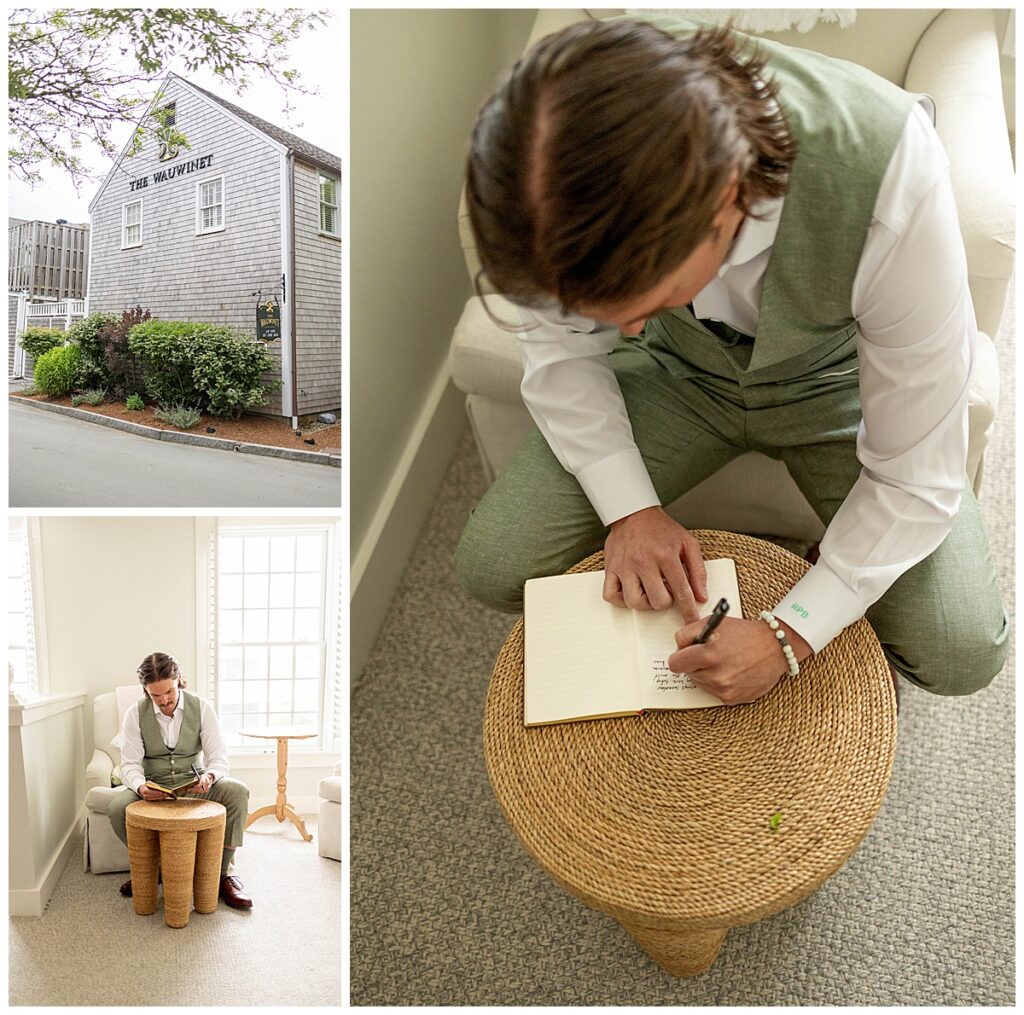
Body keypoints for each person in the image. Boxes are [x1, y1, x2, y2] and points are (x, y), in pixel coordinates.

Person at [456, 14, 1008, 703]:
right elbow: (561, 348)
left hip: (840, 379)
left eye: (644, 301)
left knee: (962, 650)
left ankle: (836, 566)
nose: (621, 330)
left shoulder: (892, 171)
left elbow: (917, 473)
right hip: (676, 369)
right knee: (494, 564)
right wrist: (629, 509)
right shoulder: (552, 159)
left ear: (723, 203)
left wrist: (791, 631)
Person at [108, 652, 253, 909]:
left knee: (237, 791)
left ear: (179, 680)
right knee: (118, 808)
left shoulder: (202, 708)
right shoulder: (134, 714)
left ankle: (222, 874)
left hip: (194, 784)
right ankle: (154, 869)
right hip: (153, 787)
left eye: (169, 692)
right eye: (156, 695)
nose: (164, 700)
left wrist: (209, 776)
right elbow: (130, 764)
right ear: (145, 690)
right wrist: (141, 786)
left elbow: (218, 758)